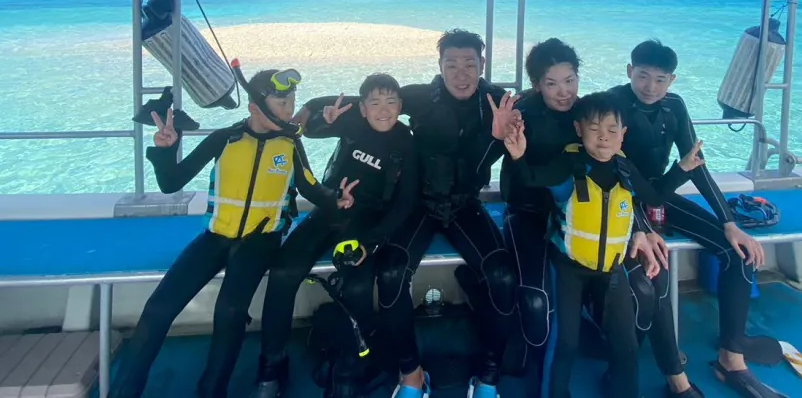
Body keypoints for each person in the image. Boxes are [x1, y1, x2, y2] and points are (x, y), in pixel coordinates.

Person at [109, 69, 355, 398]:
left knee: (229, 312)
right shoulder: (225, 138)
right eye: (282, 103)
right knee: (158, 308)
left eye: (292, 103)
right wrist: (166, 150)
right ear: (254, 107)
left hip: (261, 241)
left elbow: (311, 187)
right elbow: (171, 182)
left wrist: (337, 200)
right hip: (215, 237)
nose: (289, 112)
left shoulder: (290, 145)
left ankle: (212, 391)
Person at [500, 89, 705, 398]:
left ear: (623, 134)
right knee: (565, 341)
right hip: (568, 269)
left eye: (612, 129)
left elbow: (654, 196)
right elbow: (529, 178)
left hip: (612, 270)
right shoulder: (568, 165)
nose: (603, 137)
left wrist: (682, 169)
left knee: (626, 344)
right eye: (594, 129)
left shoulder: (625, 168)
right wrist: (518, 156)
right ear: (579, 129)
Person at [610, 40, 778, 398]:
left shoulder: (674, 105)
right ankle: (675, 376)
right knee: (656, 270)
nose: (650, 87)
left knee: (738, 253)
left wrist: (729, 221)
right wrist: (640, 228)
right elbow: (613, 172)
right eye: (642, 76)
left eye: (660, 79)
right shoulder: (613, 104)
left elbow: (694, 163)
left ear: (671, 80)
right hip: (621, 201)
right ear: (629, 72)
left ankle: (731, 359)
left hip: (661, 192)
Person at [250, 73, 419, 398]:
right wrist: (317, 119)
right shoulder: (352, 120)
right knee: (283, 272)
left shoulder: (405, 142)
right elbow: (312, 126)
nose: (383, 110)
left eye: (391, 102)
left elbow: (406, 201)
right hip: (330, 208)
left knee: (357, 287)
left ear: (400, 106)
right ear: (363, 108)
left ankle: (355, 362)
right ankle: (271, 365)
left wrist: (371, 242)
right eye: (375, 103)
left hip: (366, 222)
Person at [375, 29, 518, 398]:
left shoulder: (497, 103)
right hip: (418, 204)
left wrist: (501, 136)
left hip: (465, 205)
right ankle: (411, 375)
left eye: (469, 64)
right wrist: (313, 115)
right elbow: (372, 105)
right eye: (451, 64)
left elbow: (541, 123)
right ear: (439, 66)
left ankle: (487, 378)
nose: (461, 73)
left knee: (503, 276)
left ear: (482, 64)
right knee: (390, 274)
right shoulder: (420, 97)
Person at [498, 39, 582, 392]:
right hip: (527, 213)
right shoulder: (522, 115)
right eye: (552, 83)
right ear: (536, 85)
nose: (564, 92)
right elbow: (496, 168)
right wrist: (499, 132)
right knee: (537, 301)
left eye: (570, 80)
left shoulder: (588, 113)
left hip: (576, 217)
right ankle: (526, 347)